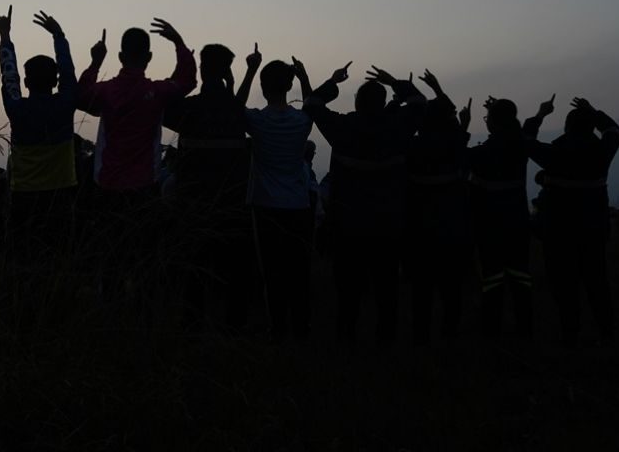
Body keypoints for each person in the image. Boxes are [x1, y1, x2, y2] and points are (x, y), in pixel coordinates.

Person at [304, 64, 425, 346]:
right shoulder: (398, 127)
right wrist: (395, 81)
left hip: (348, 224)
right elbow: (420, 102)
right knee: (387, 288)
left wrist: (334, 82)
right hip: (388, 223)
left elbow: (311, 103)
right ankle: (385, 342)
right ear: (384, 103)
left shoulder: (343, 127)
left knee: (348, 289)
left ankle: (346, 340)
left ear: (357, 103)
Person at [76, 19, 197, 297]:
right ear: (150, 57)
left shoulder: (106, 91)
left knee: (110, 254)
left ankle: (110, 307)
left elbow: (81, 96)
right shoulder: (157, 92)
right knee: (143, 255)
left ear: (119, 56)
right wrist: (178, 42)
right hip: (146, 186)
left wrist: (95, 62)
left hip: (107, 186)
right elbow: (187, 80)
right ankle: (142, 313)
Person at [163, 43, 253, 331]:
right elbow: (234, 106)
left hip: (192, 204)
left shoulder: (187, 109)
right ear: (227, 72)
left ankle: (191, 326)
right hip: (231, 205)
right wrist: (242, 79)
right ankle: (234, 327)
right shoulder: (239, 112)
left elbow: (169, 104)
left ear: (201, 70)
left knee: (193, 271)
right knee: (233, 270)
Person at [524, 97, 619, 347]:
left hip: (559, 233)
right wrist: (593, 110)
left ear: (567, 127)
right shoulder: (601, 153)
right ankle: (607, 333)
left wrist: (540, 114)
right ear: (591, 128)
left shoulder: (554, 154)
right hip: (593, 230)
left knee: (564, 286)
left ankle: (570, 334)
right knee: (597, 283)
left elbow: (525, 142)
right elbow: (613, 130)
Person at [237, 53, 315, 342]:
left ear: (263, 86)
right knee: (299, 269)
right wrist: (304, 77)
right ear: (289, 85)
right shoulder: (301, 121)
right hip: (299, 204)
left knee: (272, 270)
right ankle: (301, 328)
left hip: (265, 205)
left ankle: (278, 328)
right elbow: (312, 106)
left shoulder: (256, 121)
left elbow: (236, 107)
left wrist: (250, 69)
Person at [0, 7, 78, 268]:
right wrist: (58, 35)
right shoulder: (65, 105)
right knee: (59, 261)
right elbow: (68, 73)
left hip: (24, 198)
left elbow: (9, 75)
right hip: (61, 196)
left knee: (23, 262)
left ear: (27, 82)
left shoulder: (17, 109)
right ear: (54, 82)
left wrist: (5, 36)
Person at [467, 95, 548, 338]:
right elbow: (527, 131)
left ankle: (492, 331)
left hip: (489, 228)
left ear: (493, 122)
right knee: (521, 276)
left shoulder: (482, 153)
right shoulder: (521, 147)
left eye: (488, 118)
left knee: (492, 279)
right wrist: (541, 114)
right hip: (518, 225)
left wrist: (461, 126)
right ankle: (525, 329)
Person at [404, 70, 471, 344]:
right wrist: (437, 88)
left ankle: (420, 336)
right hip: (452, 228)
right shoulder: (456, 142)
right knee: (451, 288)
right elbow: (451, 122)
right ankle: (450, 334)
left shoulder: (412, 146)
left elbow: (443, 117)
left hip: (419, 227)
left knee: (422, 287)